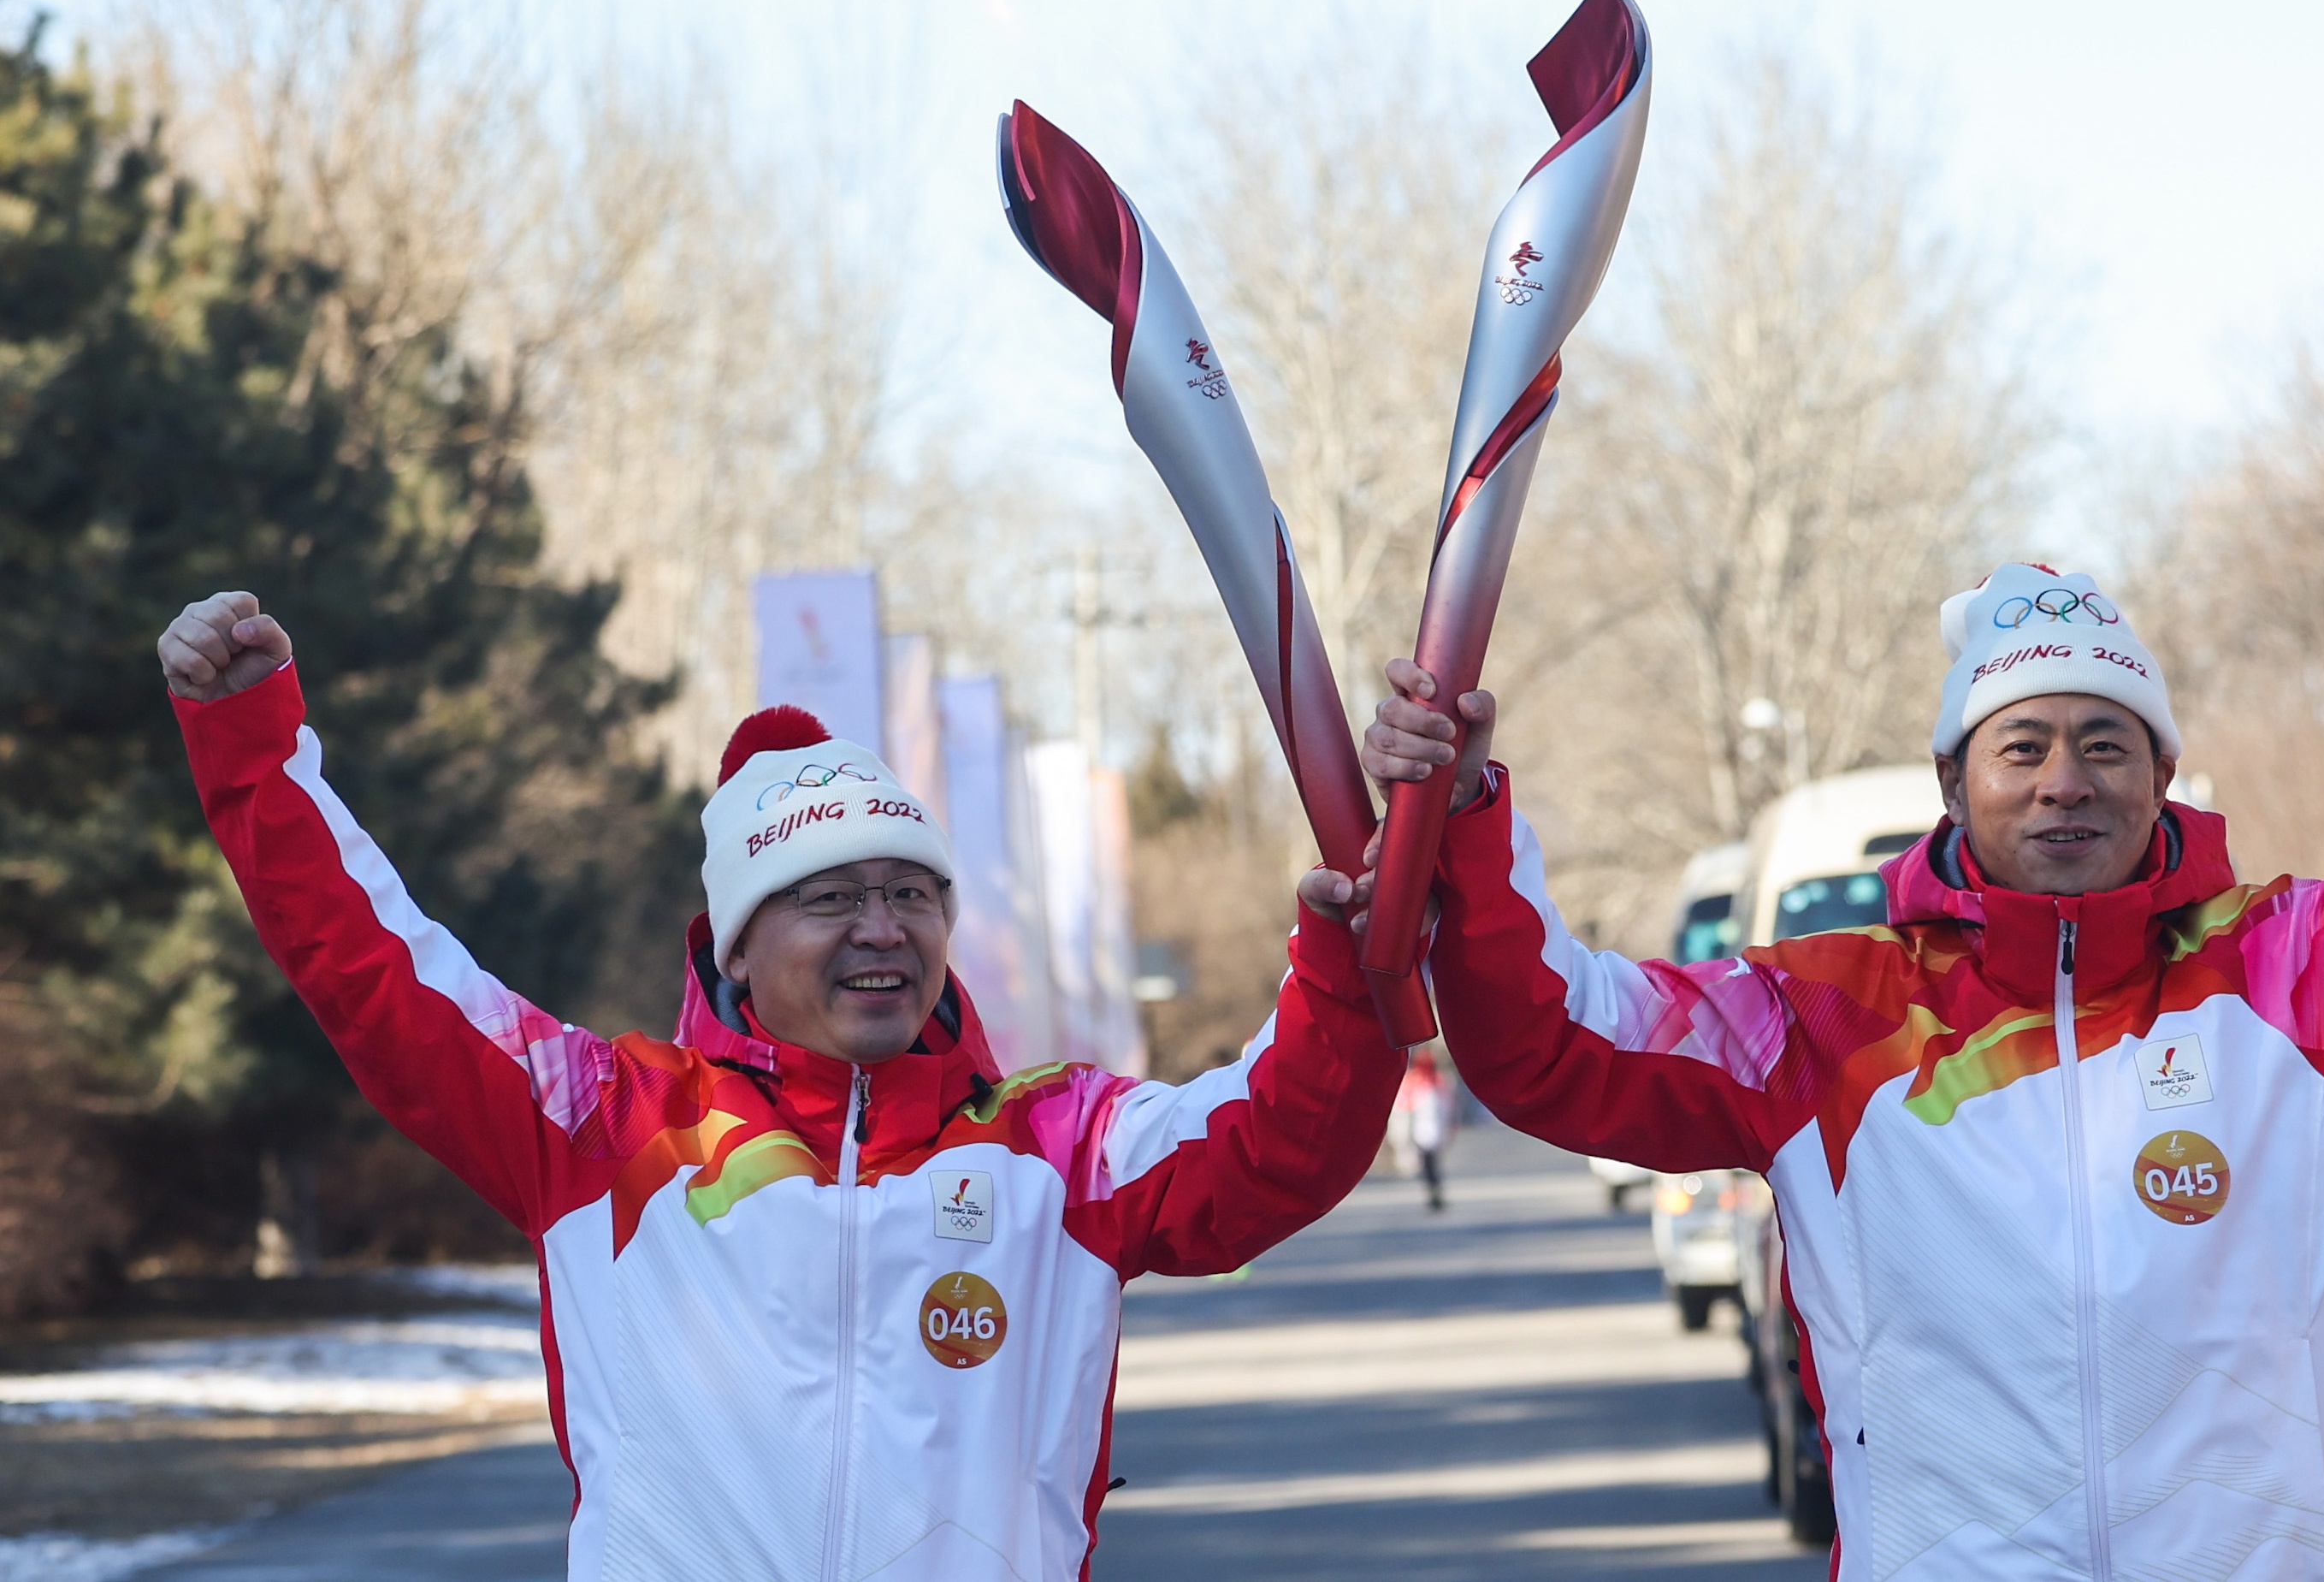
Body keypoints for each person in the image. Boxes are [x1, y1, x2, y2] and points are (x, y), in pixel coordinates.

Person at [1347, 561, 2324, 1582]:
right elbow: (1551, 1040)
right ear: (1952, 783)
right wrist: (1471, 815)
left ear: (2161, 771)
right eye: (2023, 744)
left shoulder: (2302, 972)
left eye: (2104, 743)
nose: (2065, 782)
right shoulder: (1824, 1021)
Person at [160, 590, 1405, 1582]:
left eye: (911, 892)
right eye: (829, 896)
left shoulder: (1054, 1141)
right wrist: (254, 751)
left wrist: (1346, 980)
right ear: (737, 944)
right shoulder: (607, 1124)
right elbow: (375, 969)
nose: (880, 926)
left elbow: (1280, 1135)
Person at [1390, 1048, 1458, 1211]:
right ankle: (1434, 1193)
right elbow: (1403, 1109)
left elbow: (1449, 1107)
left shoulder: (1437, 1082)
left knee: (1431, 1164)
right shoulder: (1418, 1082)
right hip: (1422, 1131)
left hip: (1432, 1130)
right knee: (1429, 1164)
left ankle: (1434, 1193)